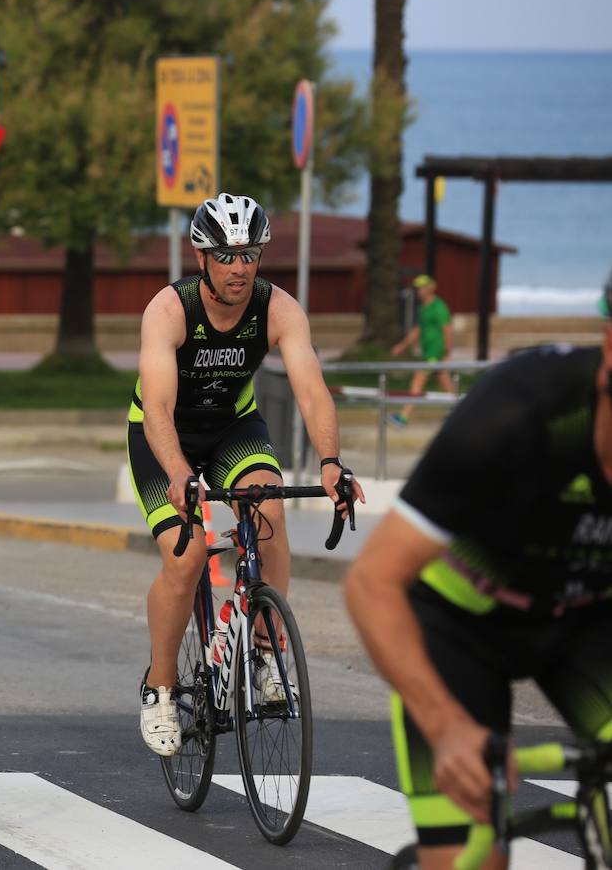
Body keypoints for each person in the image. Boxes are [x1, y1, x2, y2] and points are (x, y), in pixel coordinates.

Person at [344, 282, 612, 868]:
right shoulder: (521, 408)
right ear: (610, 345)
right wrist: (444, 727)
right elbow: (372, 582)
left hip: (586, 622)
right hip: (459, 627)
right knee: (471, 854)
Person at [130, 192, 363, 756]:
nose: (240, 267)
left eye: (250, 254)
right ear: (202, 257)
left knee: (271, 512)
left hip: (234, 429)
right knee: (186, 559)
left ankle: (263, 653)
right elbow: (158, 410)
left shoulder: (279, 308)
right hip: (164, 437)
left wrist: (331, 463)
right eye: (228, 255)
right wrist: (184, 478)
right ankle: (161, 686)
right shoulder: (169, 310)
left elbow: (312, 391)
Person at [389, 274, 455, 427]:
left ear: (430, 288)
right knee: (445, 381)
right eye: (417, 288)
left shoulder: (438, 306)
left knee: (418, 378)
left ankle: (403, 417)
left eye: (421, 287)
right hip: (429, 352)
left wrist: (447, 352)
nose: (419, 290)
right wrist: (402, 346)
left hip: (435, 352)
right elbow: (417, 330)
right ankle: (459, 411)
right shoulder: (423, 308)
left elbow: (448, 329)